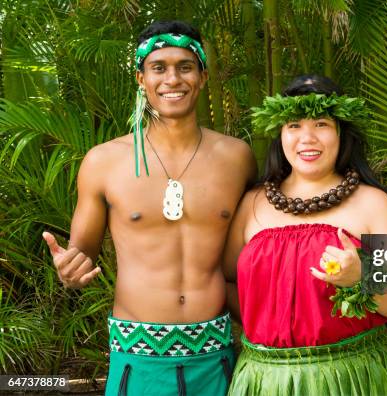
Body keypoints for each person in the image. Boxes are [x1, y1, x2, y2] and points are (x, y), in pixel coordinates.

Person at [42, 20, 256, 396]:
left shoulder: (237, 158)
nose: (172, 78)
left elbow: (252, 248)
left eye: (184, 66)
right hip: (138, 356)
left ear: (203, 76)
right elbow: (82, 254)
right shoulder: (103, 162)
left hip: (216, 354)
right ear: (141, 79)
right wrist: (69, 270)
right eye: (159, 68)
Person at [223, 75, 387, 395]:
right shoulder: (251, 204)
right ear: (280, 134)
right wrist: (266, 319)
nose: (307, 137)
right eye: (294, 125)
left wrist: (362, 276)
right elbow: (226, 280)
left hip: (355, 379)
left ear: (342, 133)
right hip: (265, 380)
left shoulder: (374, 204)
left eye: (321, 124)